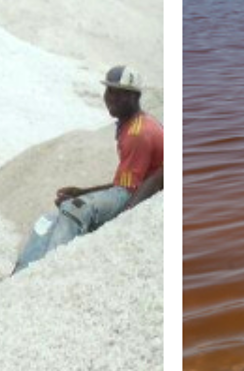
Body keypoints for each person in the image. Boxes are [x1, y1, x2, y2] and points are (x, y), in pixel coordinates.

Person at [14, 64, 164, 270]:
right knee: (47, 221)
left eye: (118, 93)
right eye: (109, 91)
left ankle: (50, 269)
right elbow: (123, 183)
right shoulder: (130, 125)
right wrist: (82, 192)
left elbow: (131, 191)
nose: (110, 98)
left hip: (139, 194)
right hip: (129, 189)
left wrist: (123, 223)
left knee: (74, 210)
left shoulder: (139, 133)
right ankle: (21, 274)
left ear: (133, 97)